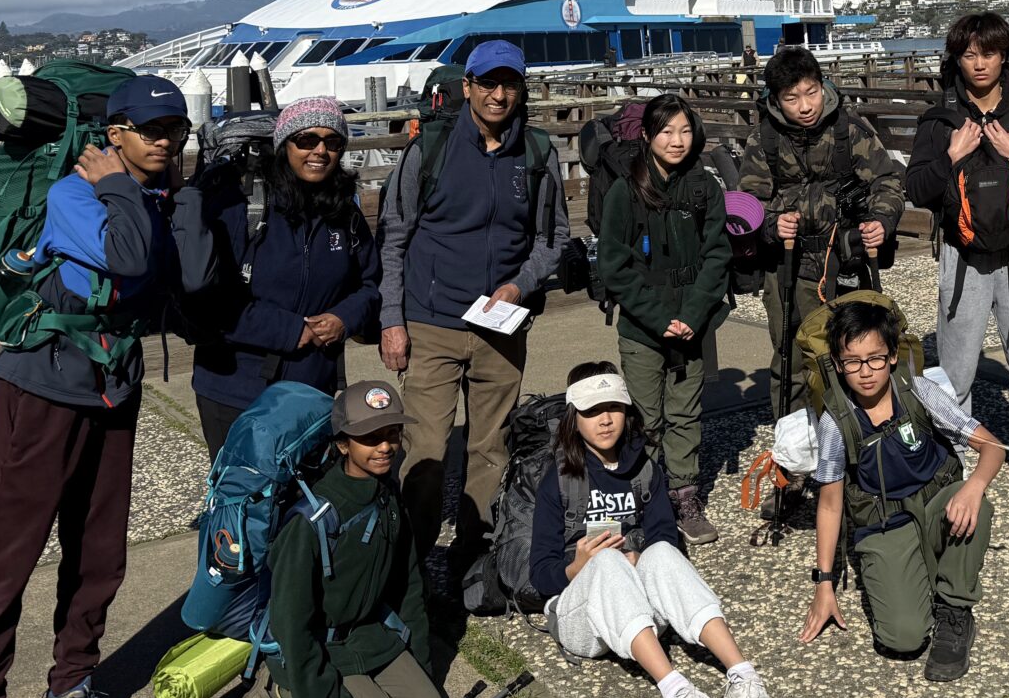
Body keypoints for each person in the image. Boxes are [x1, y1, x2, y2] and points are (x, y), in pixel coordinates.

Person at [0, 76, 221, 698]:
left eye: (175, 130)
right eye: (150, 129)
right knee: (7, 560)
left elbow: (186, 282)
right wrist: (120, 190)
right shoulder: (71, 194)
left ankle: (71, 696)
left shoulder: (156, 197)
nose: (165, 141)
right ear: (113, 134)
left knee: (99, 558)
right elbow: (125, 257)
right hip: (41, 387)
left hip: (110, 390)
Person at [377, 39, 570, 568]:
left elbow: (552, 238)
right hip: (430, 321)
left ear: (521, 89)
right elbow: (394, 235)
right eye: (487, 83)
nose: (497, 94)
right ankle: (409, 564)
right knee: (427, 451)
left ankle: (472, 559)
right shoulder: (430, 149)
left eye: (508, 84)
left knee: (490, 448)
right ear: (467, 88)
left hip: (501, 327)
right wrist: (391, 320)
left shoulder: (536, 152)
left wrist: (520, 285)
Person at [532, 364, 785, 698]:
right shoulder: (560, 478)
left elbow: (665, 534)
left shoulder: (646, 469)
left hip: (639, 613)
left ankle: (742, 677)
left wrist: (640, 554)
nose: (605, 419)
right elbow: (539, 574)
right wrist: (577, 566)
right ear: (573, 418)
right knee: (604, 562)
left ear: (628, 411)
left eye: (614, 407)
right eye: (591, 410)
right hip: (582, 620)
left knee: (664, 551)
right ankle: (677, 694)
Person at [905, 13, 1009, 507]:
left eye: (989, 52)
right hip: (961, 258)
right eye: (969, 54)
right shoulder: (941, 121)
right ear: (957, 59)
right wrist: (951, 157)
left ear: (1006, 55)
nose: (979, 63)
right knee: (957, 363)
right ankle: (956, 449)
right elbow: (916, 188)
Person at [797, 300, 1001, 682]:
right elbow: (829, 506)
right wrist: (825, 585)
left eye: (875, 358)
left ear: (892, 356)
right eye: (853, 361)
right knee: (902, 638)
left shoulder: (919, 391)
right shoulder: (834, 423)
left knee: (979, 505)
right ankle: (918, 568)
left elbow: (992, 447)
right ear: (838, 366)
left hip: (936, 501)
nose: (865, 372)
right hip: (886, 522)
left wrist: (973, 487)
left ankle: (955, 608)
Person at [241, 381, 441, 698]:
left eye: (392, 433)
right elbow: (290, 624)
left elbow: (408, 583)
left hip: (368, 635)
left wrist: (419, 661)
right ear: (343, 444)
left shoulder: (387, 496)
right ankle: (278, 689)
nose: (385, 446)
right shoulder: (311, 520)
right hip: (321, 645)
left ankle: (359, 685)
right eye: (369, 437)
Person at [186, 96, 382, 457]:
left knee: (301, 502)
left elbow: (369, 286)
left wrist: (344, 318)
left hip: (310, 386)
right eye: (306, 140)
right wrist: (294, 331)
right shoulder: (242, 204)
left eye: (332, 142)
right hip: (234, 388)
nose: (320, 151)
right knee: (243, 501)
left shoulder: (343, 211)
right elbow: (207, 300)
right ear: (283, 144)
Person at [595, 94, 734, 545]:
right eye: (667, 131)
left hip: (692, 324)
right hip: (642, 326)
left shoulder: (703, 188)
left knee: (685, 411)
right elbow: (614, 265)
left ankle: (684, 494)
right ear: (647, 135)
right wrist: (660, 319)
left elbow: (718, 255)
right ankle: (646, 495)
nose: (677, 141)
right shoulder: (625, 191)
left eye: (685, 131)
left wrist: (693, 315)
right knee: (644, 415)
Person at [737, 45, 905, 413]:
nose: (806, 105)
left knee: (857, 350)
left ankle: (857, 433)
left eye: (811, 92)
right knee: (791, 356)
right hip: (787, 266)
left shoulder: (849, 129)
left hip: (845, 262)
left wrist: (881, 221)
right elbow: (747, 203)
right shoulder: (763, 139)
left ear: (822, 84)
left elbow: (888, 182)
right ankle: (796, 443)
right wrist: (770, 223)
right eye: (792, 98)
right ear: (777, 100)